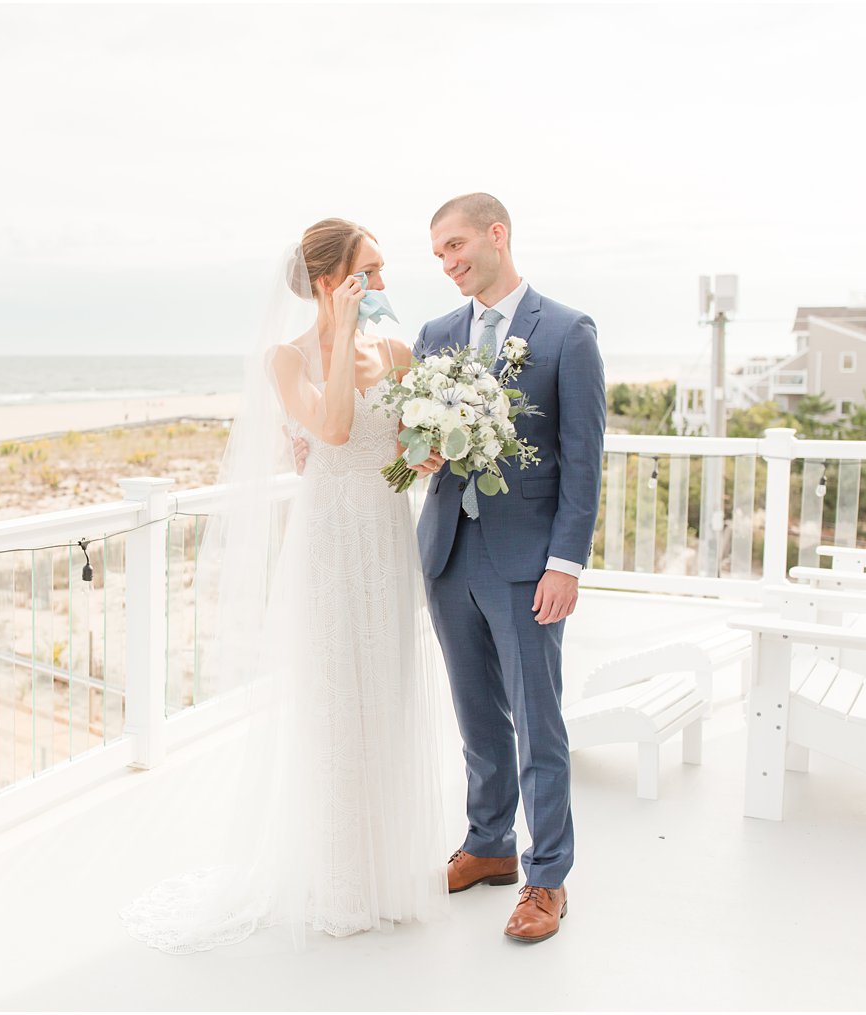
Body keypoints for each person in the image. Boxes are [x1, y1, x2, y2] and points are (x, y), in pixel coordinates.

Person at [120, 218, 454, 952]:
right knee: (337, 703)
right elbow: (333, 428)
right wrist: (338, 343)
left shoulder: (398, 351)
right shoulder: (286, 359)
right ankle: (341, 885)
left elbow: (400, 446)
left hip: (386, 533)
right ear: (333, 282)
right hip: (330, 540)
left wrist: (424, 453)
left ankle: (390, 874)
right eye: (370, 271)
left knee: (388, 695)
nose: (385, 285)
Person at [411, 193, 606, 943]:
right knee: (475, 717)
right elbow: (419, 438)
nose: (449, 262)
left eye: (457, 245)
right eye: (437, 254)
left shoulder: (566, 332)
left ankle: (547, 877)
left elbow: (584, 462)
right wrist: (419, 448)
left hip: (529, 563)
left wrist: (566, 561)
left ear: (498, 234)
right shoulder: (435, 335)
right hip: (449, 555)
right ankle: (489, 843)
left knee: (537, 720)